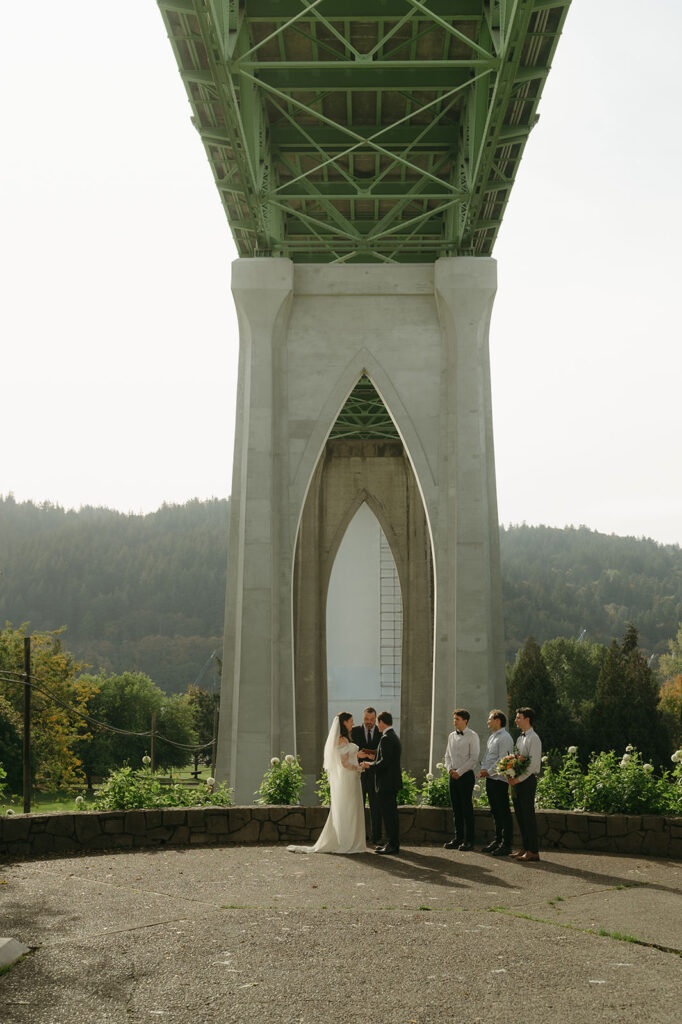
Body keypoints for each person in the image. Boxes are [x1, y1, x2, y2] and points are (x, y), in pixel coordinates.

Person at [287, 712, 367, 855]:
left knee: (348, 808)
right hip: (349, 778)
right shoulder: (342, 740)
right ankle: (348, 841)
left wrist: (359, 755)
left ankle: (348, 839)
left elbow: (347, 756)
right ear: (344, 723)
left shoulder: (343, 739)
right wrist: (359, 768)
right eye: (351, 721)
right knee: (349, 809)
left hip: (349, 779)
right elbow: (344, 763)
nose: (353, 724)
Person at [362, 711, 402, 855]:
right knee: (392, 815)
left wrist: (369, 765)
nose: (377, 726)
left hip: (386, 784)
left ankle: (392, 845)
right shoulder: (393, 736)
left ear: (382, 722)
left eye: (378, 722)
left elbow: (384, 763)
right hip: (391, 783)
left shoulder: (386, 738)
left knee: (389, 815)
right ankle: (393, 844)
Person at [477, 709, 514, 856]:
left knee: (503, 812)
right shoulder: (493, 737)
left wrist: (489, 771)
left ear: (497, 720)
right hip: (491, 779)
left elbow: (503, 759)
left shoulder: (505, 737)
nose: (488, 721)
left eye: (490, 719)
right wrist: (484, 769)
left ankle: (507, 844)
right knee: (495, 811)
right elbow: (487, 757)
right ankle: (498, 841)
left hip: (499, 780)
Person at [508, 707, 542, 862]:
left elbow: (533, 764)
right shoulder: (520, 738)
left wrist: (518, 779)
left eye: (518, 717)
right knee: (520, 816)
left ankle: (533, 851)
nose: (516, 720)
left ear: (527, 719)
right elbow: (517, 760)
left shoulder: (534, 738)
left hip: (527, 781)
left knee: (528, 816)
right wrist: (509, 773)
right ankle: (525, 847)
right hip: (517, 780)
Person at [443, 709, 480, 851]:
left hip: (465, 776)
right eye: (454, 719)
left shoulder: (473, 736)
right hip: (453, 776)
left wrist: (459, 772)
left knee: (466, 809)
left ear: (465, 720)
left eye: (457, 719)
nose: (454, 721)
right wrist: (450, 770)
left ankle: (469, 840)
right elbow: (447, 756)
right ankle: (458, 838)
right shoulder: (451, 736)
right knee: (456, 809)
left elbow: (474, 758)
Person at [351, 706, 382, 846]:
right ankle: (360, 837)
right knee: (359, 807)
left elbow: (384, 754)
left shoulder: (381, 733)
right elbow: (349, 752)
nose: (369, 722)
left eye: (371, 719)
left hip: (375, 775)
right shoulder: (355, 731)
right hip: (359, 775)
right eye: (366, 719)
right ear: (362, 718)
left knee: (376, 807)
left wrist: (374, 756)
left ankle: (377, 837)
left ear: (375, 719)